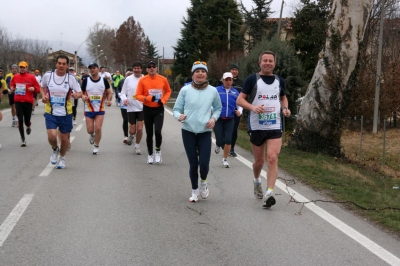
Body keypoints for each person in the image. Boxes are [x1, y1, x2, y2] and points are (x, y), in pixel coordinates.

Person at [236, 51, 291, 209]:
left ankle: (270, 192)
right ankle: (257, 180)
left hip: (274, 125)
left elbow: (283, 97)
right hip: (257, 125)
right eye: (265, 60)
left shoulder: (279, 80)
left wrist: (285, 108)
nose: (268, 63)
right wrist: (253, 107)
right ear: (259, 63)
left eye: (271, 61)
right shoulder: (252, 79)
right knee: (259, 162)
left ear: (274, 63)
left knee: (272, 158)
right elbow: (240, 99)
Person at [173, 61, 222, 202]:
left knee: (204, 163)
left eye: (203, 71)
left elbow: (218, 108)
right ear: (193, 74)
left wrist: (213, 118)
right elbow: (176, 109)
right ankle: (194, 191)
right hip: (188, 130)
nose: (200, 74)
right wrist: (179, 116)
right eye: (197, 71)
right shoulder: (185, 90)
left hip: (205, 131)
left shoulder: (213, 91)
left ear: (206, 74)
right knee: (193, 163)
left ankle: (203, 183)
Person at [40, 55, 82, 169]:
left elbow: (80, 92)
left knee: (64, 140)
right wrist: (44, 96)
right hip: (51, 112)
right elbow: (42, 87)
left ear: (68, 65)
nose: (61, 65)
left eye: (64, 64)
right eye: (59, 63)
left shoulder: (71, 78)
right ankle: (54, 150)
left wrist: (76, 95)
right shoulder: (48, 76)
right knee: (52, 136)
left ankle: (62, 158)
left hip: (66, 114)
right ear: (56, 64)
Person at [136, 60, 171, 164]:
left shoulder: (163, 79)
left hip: (158, 109)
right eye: (149, 67)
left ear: (157, 68)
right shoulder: (143, 80)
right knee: (149, 133)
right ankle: (150, 154)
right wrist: (147, 98)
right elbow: (138, 95)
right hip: (147, 109)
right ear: (146, 69)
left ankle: (158, 150)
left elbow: (168, 91)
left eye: (153, 66)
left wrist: (163, 100)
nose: (152, 68)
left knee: (158, 131)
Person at [81, 62, 112, 155]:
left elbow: (109, 92)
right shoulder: (86, 81)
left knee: (98, 128)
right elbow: (81, 93)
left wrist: (109, 100)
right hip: (89, 108)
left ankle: (96, 146)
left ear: (98, 69)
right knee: (90, 130)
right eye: (90, 68)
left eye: (94, 68)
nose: (92, 69)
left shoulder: (104, 81)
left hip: (100, 109)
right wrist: (82, 97)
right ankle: (92, 135)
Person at [214, 72, 242, 168]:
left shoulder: (235, 92)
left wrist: (239, 111)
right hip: (219, 119)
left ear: (232, 81)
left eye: (230, 80)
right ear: (223, 80)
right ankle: (218, 144)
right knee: (219, 139)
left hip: (230, 119)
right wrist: (211, 110)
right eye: (226, 80)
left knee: (228, 140)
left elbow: (240, 104)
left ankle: (225, 159)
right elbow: (210, 102)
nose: (228, 82)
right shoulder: (216, 90)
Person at [9, 61, 41, 146]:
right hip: (18, 101)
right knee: (20, 119)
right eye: (21, 67)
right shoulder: (15, 77)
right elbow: (12, 85)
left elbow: (38, 88)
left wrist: (33, 88)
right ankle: (23, 139)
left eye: (24, 67)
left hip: (28, 101)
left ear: (26, 68)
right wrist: (12, 88)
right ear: (19, 68)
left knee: (27, 120)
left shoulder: (31, 77)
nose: (22, 69)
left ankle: (28, 125)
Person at [120, 62, 144, 155]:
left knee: (140, 129)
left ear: (141, 69)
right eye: (135, 68)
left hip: (142, 107)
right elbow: (122, 93)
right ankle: (131, 135)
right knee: (133, 130)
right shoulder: (128, 79)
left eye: (138, 68)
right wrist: (125, 99)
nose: (136, 70)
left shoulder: (145, 79)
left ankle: (137, 146)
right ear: (132, 69)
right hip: (131, 107)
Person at [228, 64, 244, 157]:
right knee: (225, 130)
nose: (234, 71)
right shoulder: (223, 80)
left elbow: (244, 96)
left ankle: (232, 148)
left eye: (236, 70)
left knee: (234, 130)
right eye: (232, 69)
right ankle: (222, 143)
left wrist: (241, 109)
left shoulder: (242, 83)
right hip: (224, 111)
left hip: (236, 111)